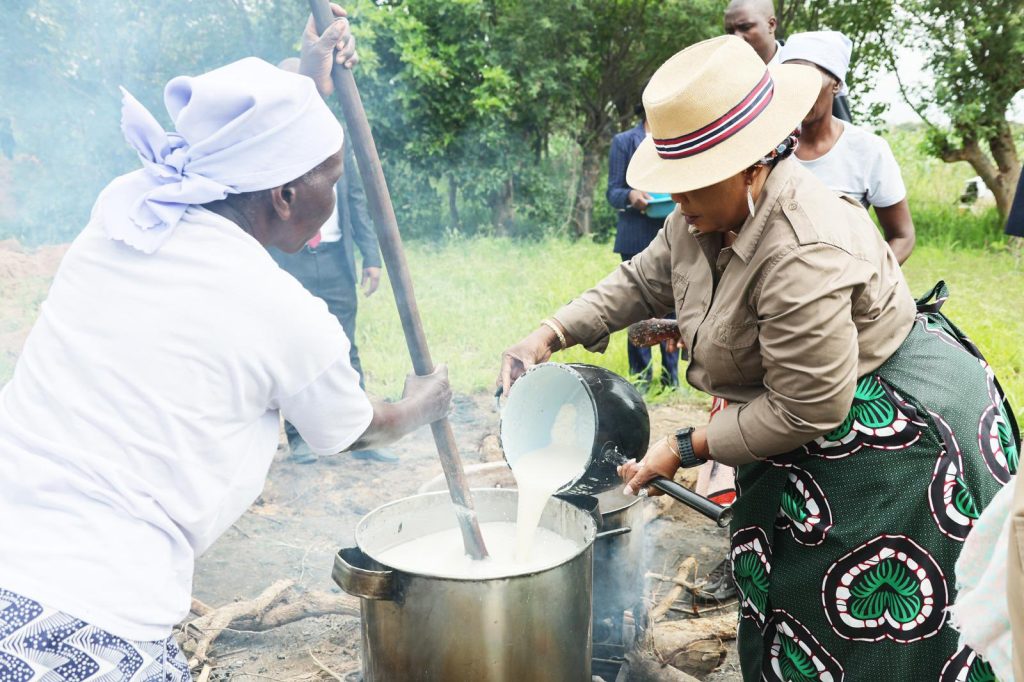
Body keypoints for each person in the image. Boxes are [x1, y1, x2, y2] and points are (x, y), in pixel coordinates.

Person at [500, 35, 1015, 679]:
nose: (676, 204)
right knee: (785, 599)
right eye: (672, 185)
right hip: (805, 415)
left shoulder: (805, 246)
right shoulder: (698, 218)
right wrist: (548, 333)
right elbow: (639, 281)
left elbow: (809, 406)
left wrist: (687, 445)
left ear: (754, 166)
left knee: (866, 631)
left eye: (691, 186)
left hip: (889, 438)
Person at [0, 17, 451, 681]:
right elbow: (351, 428)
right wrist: (421, 404)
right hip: (89, 620)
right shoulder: (284, 313)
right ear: (288, 195)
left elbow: (242, 143)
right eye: (332, 175)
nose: (336, 188)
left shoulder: (124, 211)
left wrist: (305, 80)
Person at [272, 56, 394, 464]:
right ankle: (302, 441)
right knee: (292, 345)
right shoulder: (271, 147)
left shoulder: (333, 138)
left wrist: (370, 257)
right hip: (292, 261)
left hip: (337, 260)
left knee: (345, 346)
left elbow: (357, 199)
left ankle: (361, 438)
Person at [782, 31, 916, 264]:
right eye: (790, 78)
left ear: (836, 84)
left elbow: (902, 236)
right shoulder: (769, 146)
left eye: (809, 79)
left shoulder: (869, 150)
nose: (799, 89)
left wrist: (868, 280)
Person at [606, 104, 679, 390]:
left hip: (671, 229)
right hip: (636, 233)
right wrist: (632, 195)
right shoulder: (624, 142)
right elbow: (613, 191)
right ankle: (642, 379)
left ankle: (671, 379)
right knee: (636, 305)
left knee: (673, 305)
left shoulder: (676, 140)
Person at [725, 0, 852, 122]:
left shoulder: (810, 65)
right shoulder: (726, 79)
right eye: (730, 31)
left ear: (771, 24)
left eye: (745, 27)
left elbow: (840, 130)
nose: (736, 38)